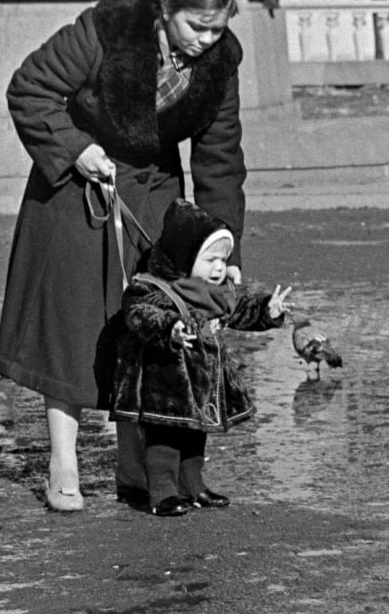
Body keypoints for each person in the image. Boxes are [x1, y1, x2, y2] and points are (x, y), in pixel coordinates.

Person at [0, 0, 246, 512]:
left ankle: (139, 474)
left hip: (155, 190)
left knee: (152, 323)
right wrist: (76, 148)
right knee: (75, 328)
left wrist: (221, 244)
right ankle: (64, 463)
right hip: (77, 187)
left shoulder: (220, 62)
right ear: (165, 7)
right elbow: (30, 88)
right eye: (195, 26)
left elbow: (220, 160)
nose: (207, 40)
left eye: (217, 27)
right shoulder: (106, 28)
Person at [111, 202, 290, 516]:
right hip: (164, 385)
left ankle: (193, 485)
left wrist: (267, 310)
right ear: (185, 258)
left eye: (223, 259)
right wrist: (170, 327)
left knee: (195, 437)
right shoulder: (155, 288)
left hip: (201, 383)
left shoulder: (216, 293)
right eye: (211, 260)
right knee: (164, 439)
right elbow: (140, 313)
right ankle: (163, 492)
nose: (220, 268)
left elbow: (241, 307)